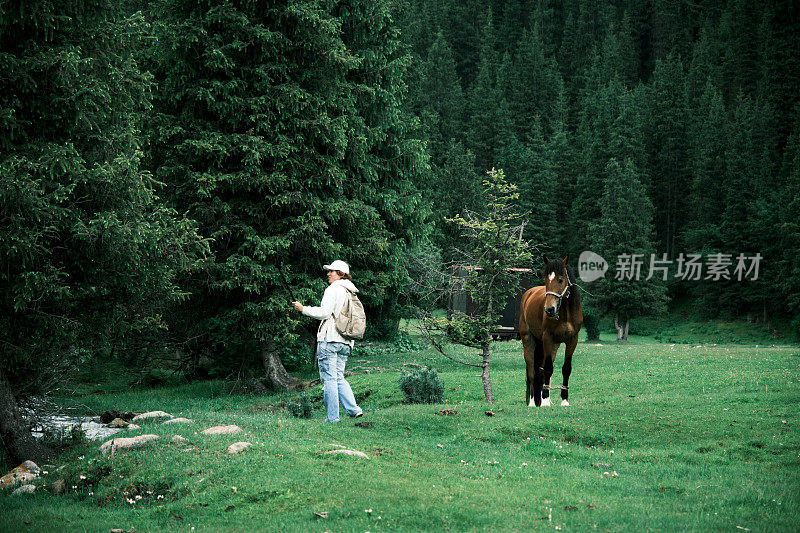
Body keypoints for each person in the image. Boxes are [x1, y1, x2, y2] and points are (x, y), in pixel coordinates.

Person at [292, 260, 363, 422]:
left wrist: (303, 309)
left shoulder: (334, 289)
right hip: (346, 342)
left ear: (341, 274)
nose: (328, 274)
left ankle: (332, 418)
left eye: (332, 271)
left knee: (329, 379)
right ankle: (354, 410)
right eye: (329, 271)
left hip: (330, 339)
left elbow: (324, 313)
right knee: (338, 377)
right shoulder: (351, 291)